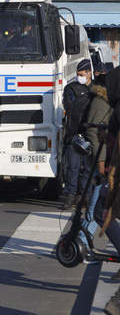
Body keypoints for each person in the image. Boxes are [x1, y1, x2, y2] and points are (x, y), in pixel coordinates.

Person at [62, 59, 94, 209]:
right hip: (74, 134)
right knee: (73, 167)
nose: (79, 77)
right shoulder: (71, 88)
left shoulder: (96, 89)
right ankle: (70, 196)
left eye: (81, 74)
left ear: (89, 73)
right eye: (77, 74)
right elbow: (69, 107)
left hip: (90, 134)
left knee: (87, 169)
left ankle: (85, 196)